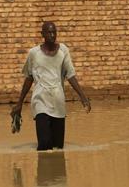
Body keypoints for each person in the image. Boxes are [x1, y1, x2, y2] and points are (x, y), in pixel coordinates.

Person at [12, 21, 91, 150]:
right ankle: (43, 168)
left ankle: (56, 170)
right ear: (42, 34)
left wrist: (83, 97)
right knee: (44, 145)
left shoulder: (63, 51)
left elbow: (70, 75)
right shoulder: (34, 53)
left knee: (58, 147)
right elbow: (29, 77)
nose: (52, 35)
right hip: (40, 101)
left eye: (54, 32)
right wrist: (19, 103)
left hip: (58, 102)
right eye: (49, 32)